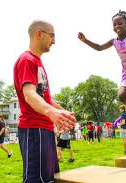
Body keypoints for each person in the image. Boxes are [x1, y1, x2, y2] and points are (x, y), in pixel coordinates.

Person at [13, 20, 76, 182]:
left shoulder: (37, 61)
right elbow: (29, 94)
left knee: (49, 179)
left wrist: (61, 111)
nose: (54, 41)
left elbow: (42, 97)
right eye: (52, 36)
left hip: (45, 129)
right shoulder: (27, 60)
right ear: (39, 34)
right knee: (37, 180)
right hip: (34, 129)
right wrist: (52, 112)